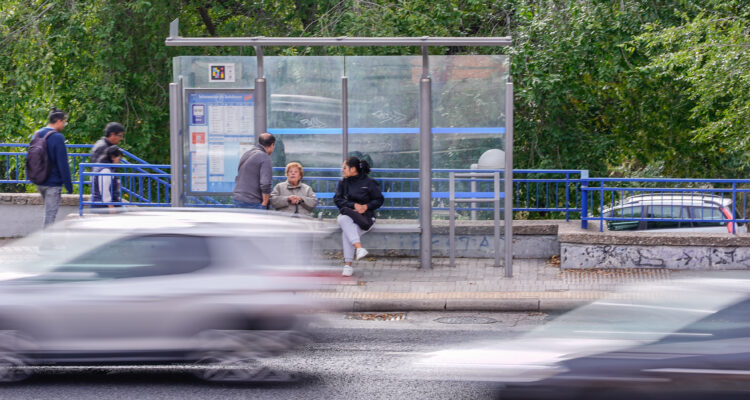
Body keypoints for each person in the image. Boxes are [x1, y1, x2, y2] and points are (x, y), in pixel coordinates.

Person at [334, 157, 384, 277]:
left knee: (345, 229)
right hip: (350, 216)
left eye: (344, 167)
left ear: (353, 169)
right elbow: (338, 200)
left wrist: (366, 206)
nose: (342, 170)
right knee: (344, 219)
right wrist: (353, 205)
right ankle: (358, 249)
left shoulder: (369, 182)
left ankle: (348, 265)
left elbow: (379, 200)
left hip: (365, 219)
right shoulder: (343, 183)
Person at [33, 108, 73, 228]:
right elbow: (63, 164)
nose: (64, 125)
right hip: (52, 184)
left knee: (48, 214)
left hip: (39, 181)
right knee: (50, 216)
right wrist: (69, 186)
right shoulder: (58, 137)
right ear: (59, 121)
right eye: (64, 122)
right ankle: (46, 245)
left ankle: (47, 243)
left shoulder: (36, 134)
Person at [233, 133, 275, 209]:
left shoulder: (247, 154)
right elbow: (265, 183)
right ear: (272, 145)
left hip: (238, 198)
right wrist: (265, 203)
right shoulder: (265, 157)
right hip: (252, 202)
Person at [91, 146, 123, 210]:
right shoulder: (106, 170)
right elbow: (104, 190)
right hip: (102, 206)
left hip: (100, 204)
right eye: (119, 158)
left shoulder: (105, 167)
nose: (119, 161)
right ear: (113, 157)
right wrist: (111, 207)